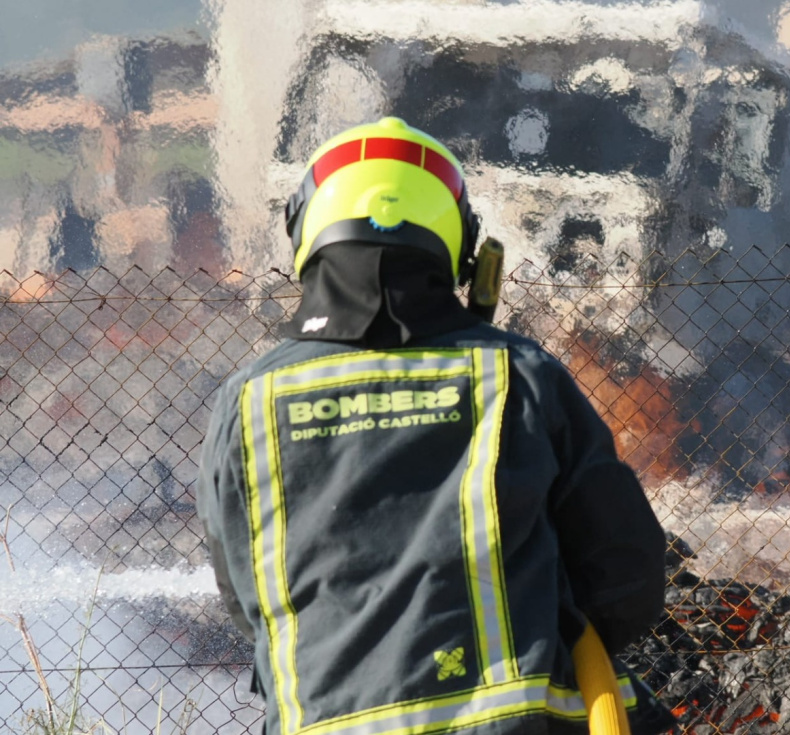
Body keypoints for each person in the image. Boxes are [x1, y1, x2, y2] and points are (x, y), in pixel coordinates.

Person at [198, 117, 671, 735]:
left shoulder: (249, 401)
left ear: (306, 232)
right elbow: (626, 568)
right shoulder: (516, 374)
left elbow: (246, 593)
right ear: (460, 247)